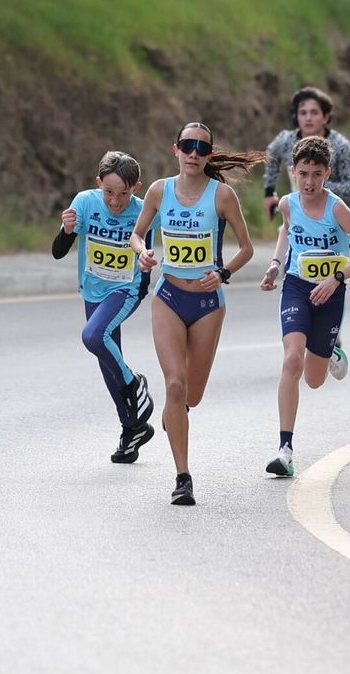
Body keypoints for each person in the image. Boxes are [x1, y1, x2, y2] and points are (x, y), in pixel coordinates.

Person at [132, 123, 264, 506]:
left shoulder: (222, 196)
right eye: (187, 146)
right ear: (175, 149)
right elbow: (138, 234)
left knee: (192, 394)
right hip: (169, 295)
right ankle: (183, 477)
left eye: (201, 148)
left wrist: (223, 273)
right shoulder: (159, 191)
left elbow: (247, 248)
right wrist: (143, 252)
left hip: (208, 305)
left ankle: (176, 415)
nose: (193, 153)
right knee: (174, 385)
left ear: (209, 154)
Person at [258, 136, 350, 477]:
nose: (310, 182)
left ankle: (332, 355)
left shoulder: (337, 208)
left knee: (314, 380)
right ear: (293, 172)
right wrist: (275, 263)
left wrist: (337, 279)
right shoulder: (287, 203)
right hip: (297, 286)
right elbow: (286, 230)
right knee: (292, 358)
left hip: (331, 291)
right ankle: (285, 449)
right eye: (303, 174)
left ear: (327, 173)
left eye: (316, 174)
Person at [52, 151, 158, 463]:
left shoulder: (144, 210)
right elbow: (58, 252)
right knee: (107, 359)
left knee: (93, 337)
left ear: (135, 189)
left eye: (123, 193)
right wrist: (67, 231)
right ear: (99, 184)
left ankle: (134, 383)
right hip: (93, 289)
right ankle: (132, 429)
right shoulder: (85, 202)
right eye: (109, 192)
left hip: (127, 287)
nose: (115, 201)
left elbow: (183, 222)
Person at [262, 86, 350, 218]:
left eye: (314, 113)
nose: (308, 118)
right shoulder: (286, 141)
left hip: (334, 219)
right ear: (296, 117)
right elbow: (270, 157)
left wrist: (317, 184)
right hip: (298, 215)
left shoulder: (341, 146)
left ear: (326, 117)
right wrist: (269, 192)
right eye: (303, 113)